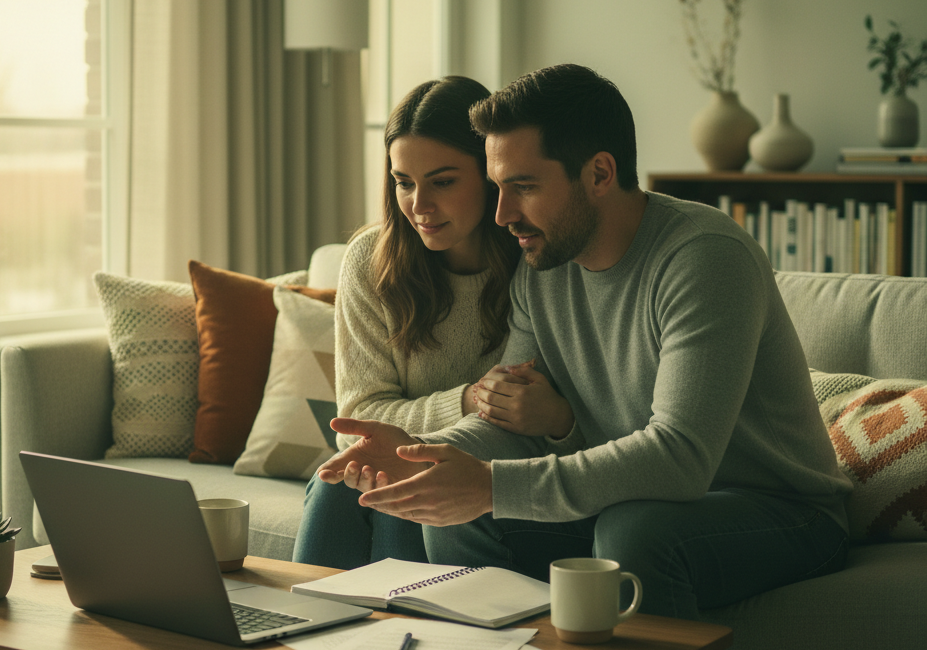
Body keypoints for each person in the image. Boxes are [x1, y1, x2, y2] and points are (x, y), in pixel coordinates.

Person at [317, 63, 852, 619]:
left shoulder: (705, 258)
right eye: (499, 188)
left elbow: (680, 458)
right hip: (631, 497)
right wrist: (420, 456)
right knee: (463, 511)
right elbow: (501, 423)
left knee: (634, 531)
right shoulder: (542, 265)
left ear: (599, 173)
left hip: (781, 511)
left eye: (523, 187)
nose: (502, 215)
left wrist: (492, 485)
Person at [292, 76, 568, 570]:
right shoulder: (368, 261)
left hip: (495, 480)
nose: (419, 205)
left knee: (407, 487)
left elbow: (520, 416)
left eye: (443, 181)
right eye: (403, 183)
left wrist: (419, 444)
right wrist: (466, 399)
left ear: (490, 175)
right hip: (413, 466)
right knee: (338, 483)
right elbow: (358, 421)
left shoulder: (537, 263)